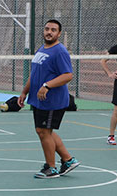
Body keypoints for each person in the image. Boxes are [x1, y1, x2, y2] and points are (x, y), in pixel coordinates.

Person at [18, 19, 80, 179]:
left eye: (53, 30)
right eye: (47, 29)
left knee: (43, 131)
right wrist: (25, 92)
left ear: (59, 33)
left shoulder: (60, 51)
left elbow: (68, 75)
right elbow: (35, 73)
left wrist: (47, 86)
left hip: (53, 100)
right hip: (39, 99)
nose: (49, 32)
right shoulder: (43, 49)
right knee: (45, 131)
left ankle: (51, 168)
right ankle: (67, 160)